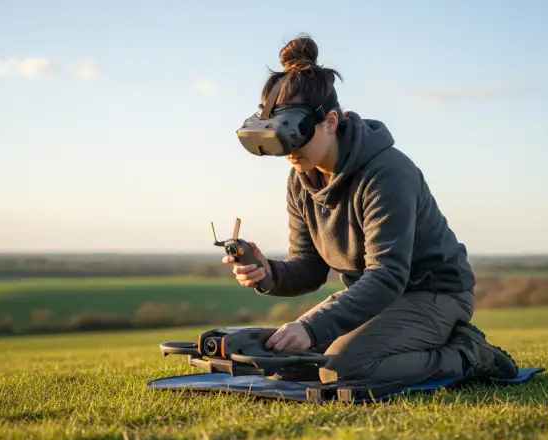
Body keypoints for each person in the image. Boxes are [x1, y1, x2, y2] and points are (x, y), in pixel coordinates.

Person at [222, 34, 518, 385]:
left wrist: (312, 327)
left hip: (434, 293)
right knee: (291, 363)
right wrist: (268, 273)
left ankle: (468, 354)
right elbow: (310, 266)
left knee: (342, 370)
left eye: (295, 133)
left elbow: (388, 273)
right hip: (375, 297)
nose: (289, 149)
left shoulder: (387, 173)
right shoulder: (301, 177)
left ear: (330, 121)